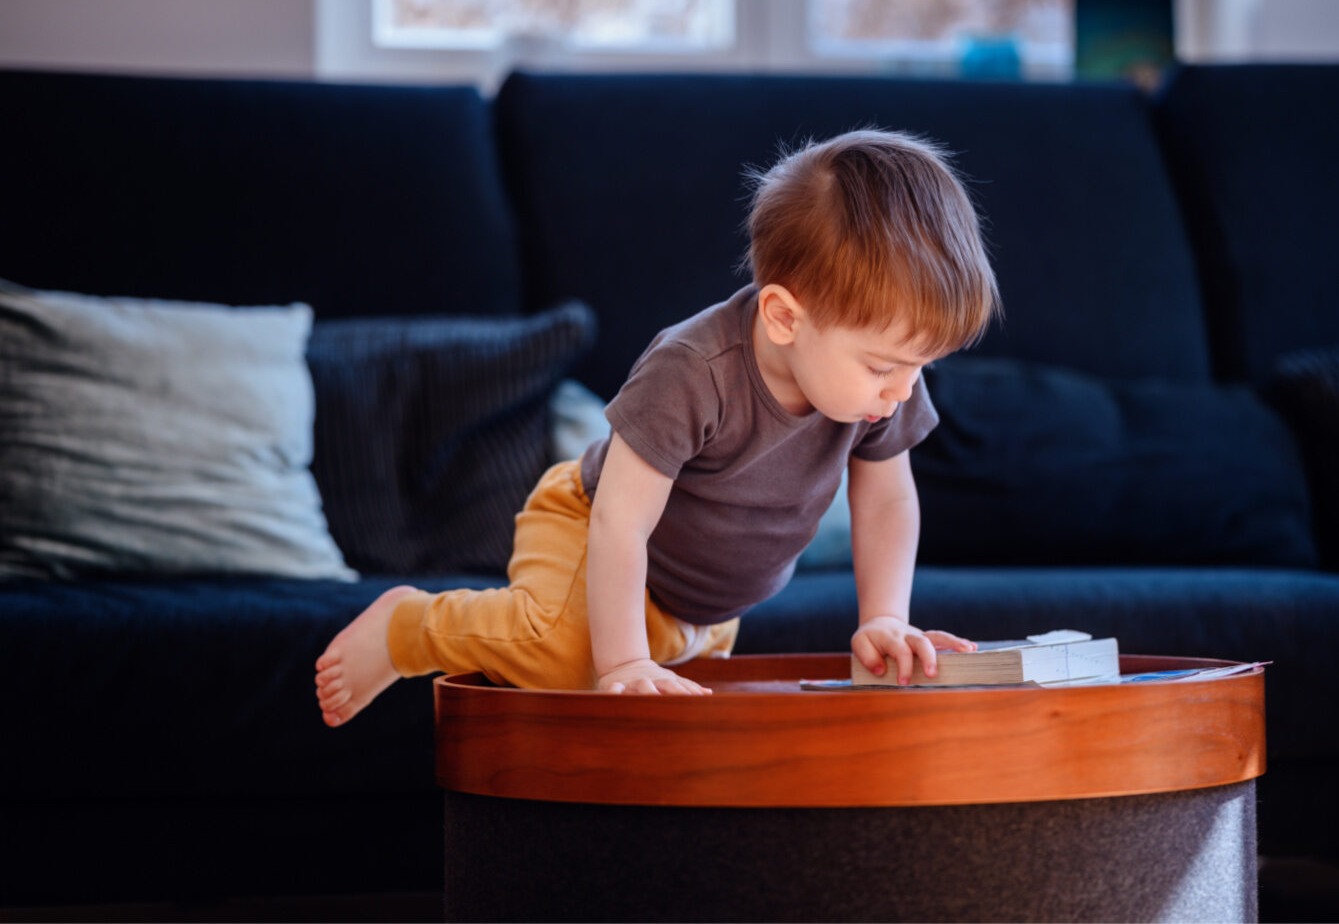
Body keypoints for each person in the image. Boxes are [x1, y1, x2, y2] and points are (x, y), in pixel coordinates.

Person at [314, 128, 1002, 724]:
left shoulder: (881, 388)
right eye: (886, 366)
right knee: (565, 659)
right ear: (785, 317)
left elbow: (886, 499)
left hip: (702, 601)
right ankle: (409, 625)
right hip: (595, 526)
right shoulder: (693, 370)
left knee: (670, 711)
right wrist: (620, 663)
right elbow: (621, 521)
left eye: (924, 366)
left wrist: (883, 617)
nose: (905, 389)